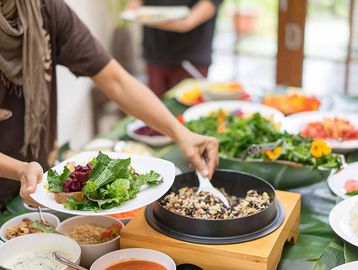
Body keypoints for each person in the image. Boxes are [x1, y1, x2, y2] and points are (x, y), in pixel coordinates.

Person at [0, 0, 218, 208]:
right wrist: (20, 169)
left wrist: (181, 134)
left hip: (35, 183)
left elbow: (117, 81)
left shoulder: (45, 9)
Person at [126, 0, 222, 96]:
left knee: (184, 104)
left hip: (191, 59)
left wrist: (146, 18)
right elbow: (133, 6)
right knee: (157, 102)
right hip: (155, 55)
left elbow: (186, 23)